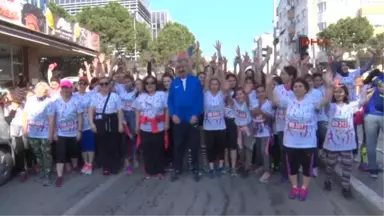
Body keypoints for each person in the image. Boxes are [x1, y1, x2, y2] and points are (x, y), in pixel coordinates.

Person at [267, 72, 333, 201]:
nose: (297, 88)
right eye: (295, 86)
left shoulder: (313, 101)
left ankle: (304, 188)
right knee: (292, 168)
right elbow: (273, 99)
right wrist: (269, 85)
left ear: (306, 89)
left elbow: (327, 99)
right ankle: (295, 187)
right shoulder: (288, 101)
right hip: (290, 142)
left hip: (308, 143)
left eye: (300, 86)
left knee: (307, 168)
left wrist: (328, 84)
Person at [323, 84, 370, 198]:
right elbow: (326, 100)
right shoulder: (330, 106)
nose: (338, 94)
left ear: (345, 94)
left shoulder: (350, 106)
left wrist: (364, 88)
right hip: (332, 143)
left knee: (347, 166)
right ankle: (328, 181)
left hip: (347, 143)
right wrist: (329, 84)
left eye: (341, 92)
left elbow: (363, 100)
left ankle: (345, 187)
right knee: (330, 165)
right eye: (336, 92)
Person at [168, 52, 203, 182]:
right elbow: (170, 101)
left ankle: (195, 168)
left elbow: (200, 99)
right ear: (177, 69)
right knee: (178, 145)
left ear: (188, 67)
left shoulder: (195, 81)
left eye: (184, 66)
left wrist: (196, 115)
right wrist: (173, 114)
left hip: (193, 119)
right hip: (179, 120)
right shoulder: (174, 83)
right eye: (179, 67)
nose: (181, 69)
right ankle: (177, 169)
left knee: (194, 145)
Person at [48, 80, 83, 187]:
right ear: (61, 89)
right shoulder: (55, 103)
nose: (66, 90)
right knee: (60, 156)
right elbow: (52, 119)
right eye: (63, 88)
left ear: (71, 89)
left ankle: (75, 166)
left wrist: (79, 131)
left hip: (73, 133)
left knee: (74, 153)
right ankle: (59, 176)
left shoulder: (76, 101)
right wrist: (53, 132)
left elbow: (80, 117)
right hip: (61, 134)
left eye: (67, 88)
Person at [133, 76, 168, 179]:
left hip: (159, 126)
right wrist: (136, 126)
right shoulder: (141, 97)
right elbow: (137, 112)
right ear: (145, 85)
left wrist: (166, 123)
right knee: (147, 150)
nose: (150, 85)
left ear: (156, 84)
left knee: (159, 149)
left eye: (152, 83)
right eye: (147, 83)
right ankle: (149, 170)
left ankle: (160, 170)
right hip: (145, 127)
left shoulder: (162, 95)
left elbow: (166, 109)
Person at [89, 77, 124, 175]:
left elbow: (119, 111)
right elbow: (91, 110)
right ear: (99, 85)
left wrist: (120, 124)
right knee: (102, 144)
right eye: (102, 84)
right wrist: (92, 123)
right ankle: (106, 166)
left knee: (113, 143)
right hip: (100, 121)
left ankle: (114, 165)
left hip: (112, 120)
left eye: (106, 83)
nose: (104, 86)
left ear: (109, 85)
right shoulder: (95, 97)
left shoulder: (115, 96)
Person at [22, 82, 53, 186]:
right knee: (38, 154)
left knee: (46, 154)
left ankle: (48, 175)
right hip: (32, 133)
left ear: (45, 91)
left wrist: (50, 134)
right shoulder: (30, 100)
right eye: (37, 89)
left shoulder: (49, 102)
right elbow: (25, 115)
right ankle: (42, 172)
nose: (39, 91)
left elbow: (51, 119)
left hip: (44, 134)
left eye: (41, 89)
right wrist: (24, 129)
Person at [115, 74, 137, 174]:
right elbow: (110, 80)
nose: (126, 84)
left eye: (128, 81)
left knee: (133, 137)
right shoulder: (120, 89)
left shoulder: (136, 90)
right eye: (125, 82)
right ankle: (126, 160)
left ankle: (135, 157)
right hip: (122, 114)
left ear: (132, 81)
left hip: (132, 115)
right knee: (124, 138)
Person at [74, 77, 95, 175]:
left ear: (87, 85)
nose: (82, 85)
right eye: (80, 83)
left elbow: (93, 109)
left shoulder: (90, 95)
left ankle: (90, 164)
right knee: (83, 146)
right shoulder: (74, 95)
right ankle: (85, 163)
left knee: (90, 145)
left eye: (84, 83)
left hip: (88, 123)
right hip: (78, 125)